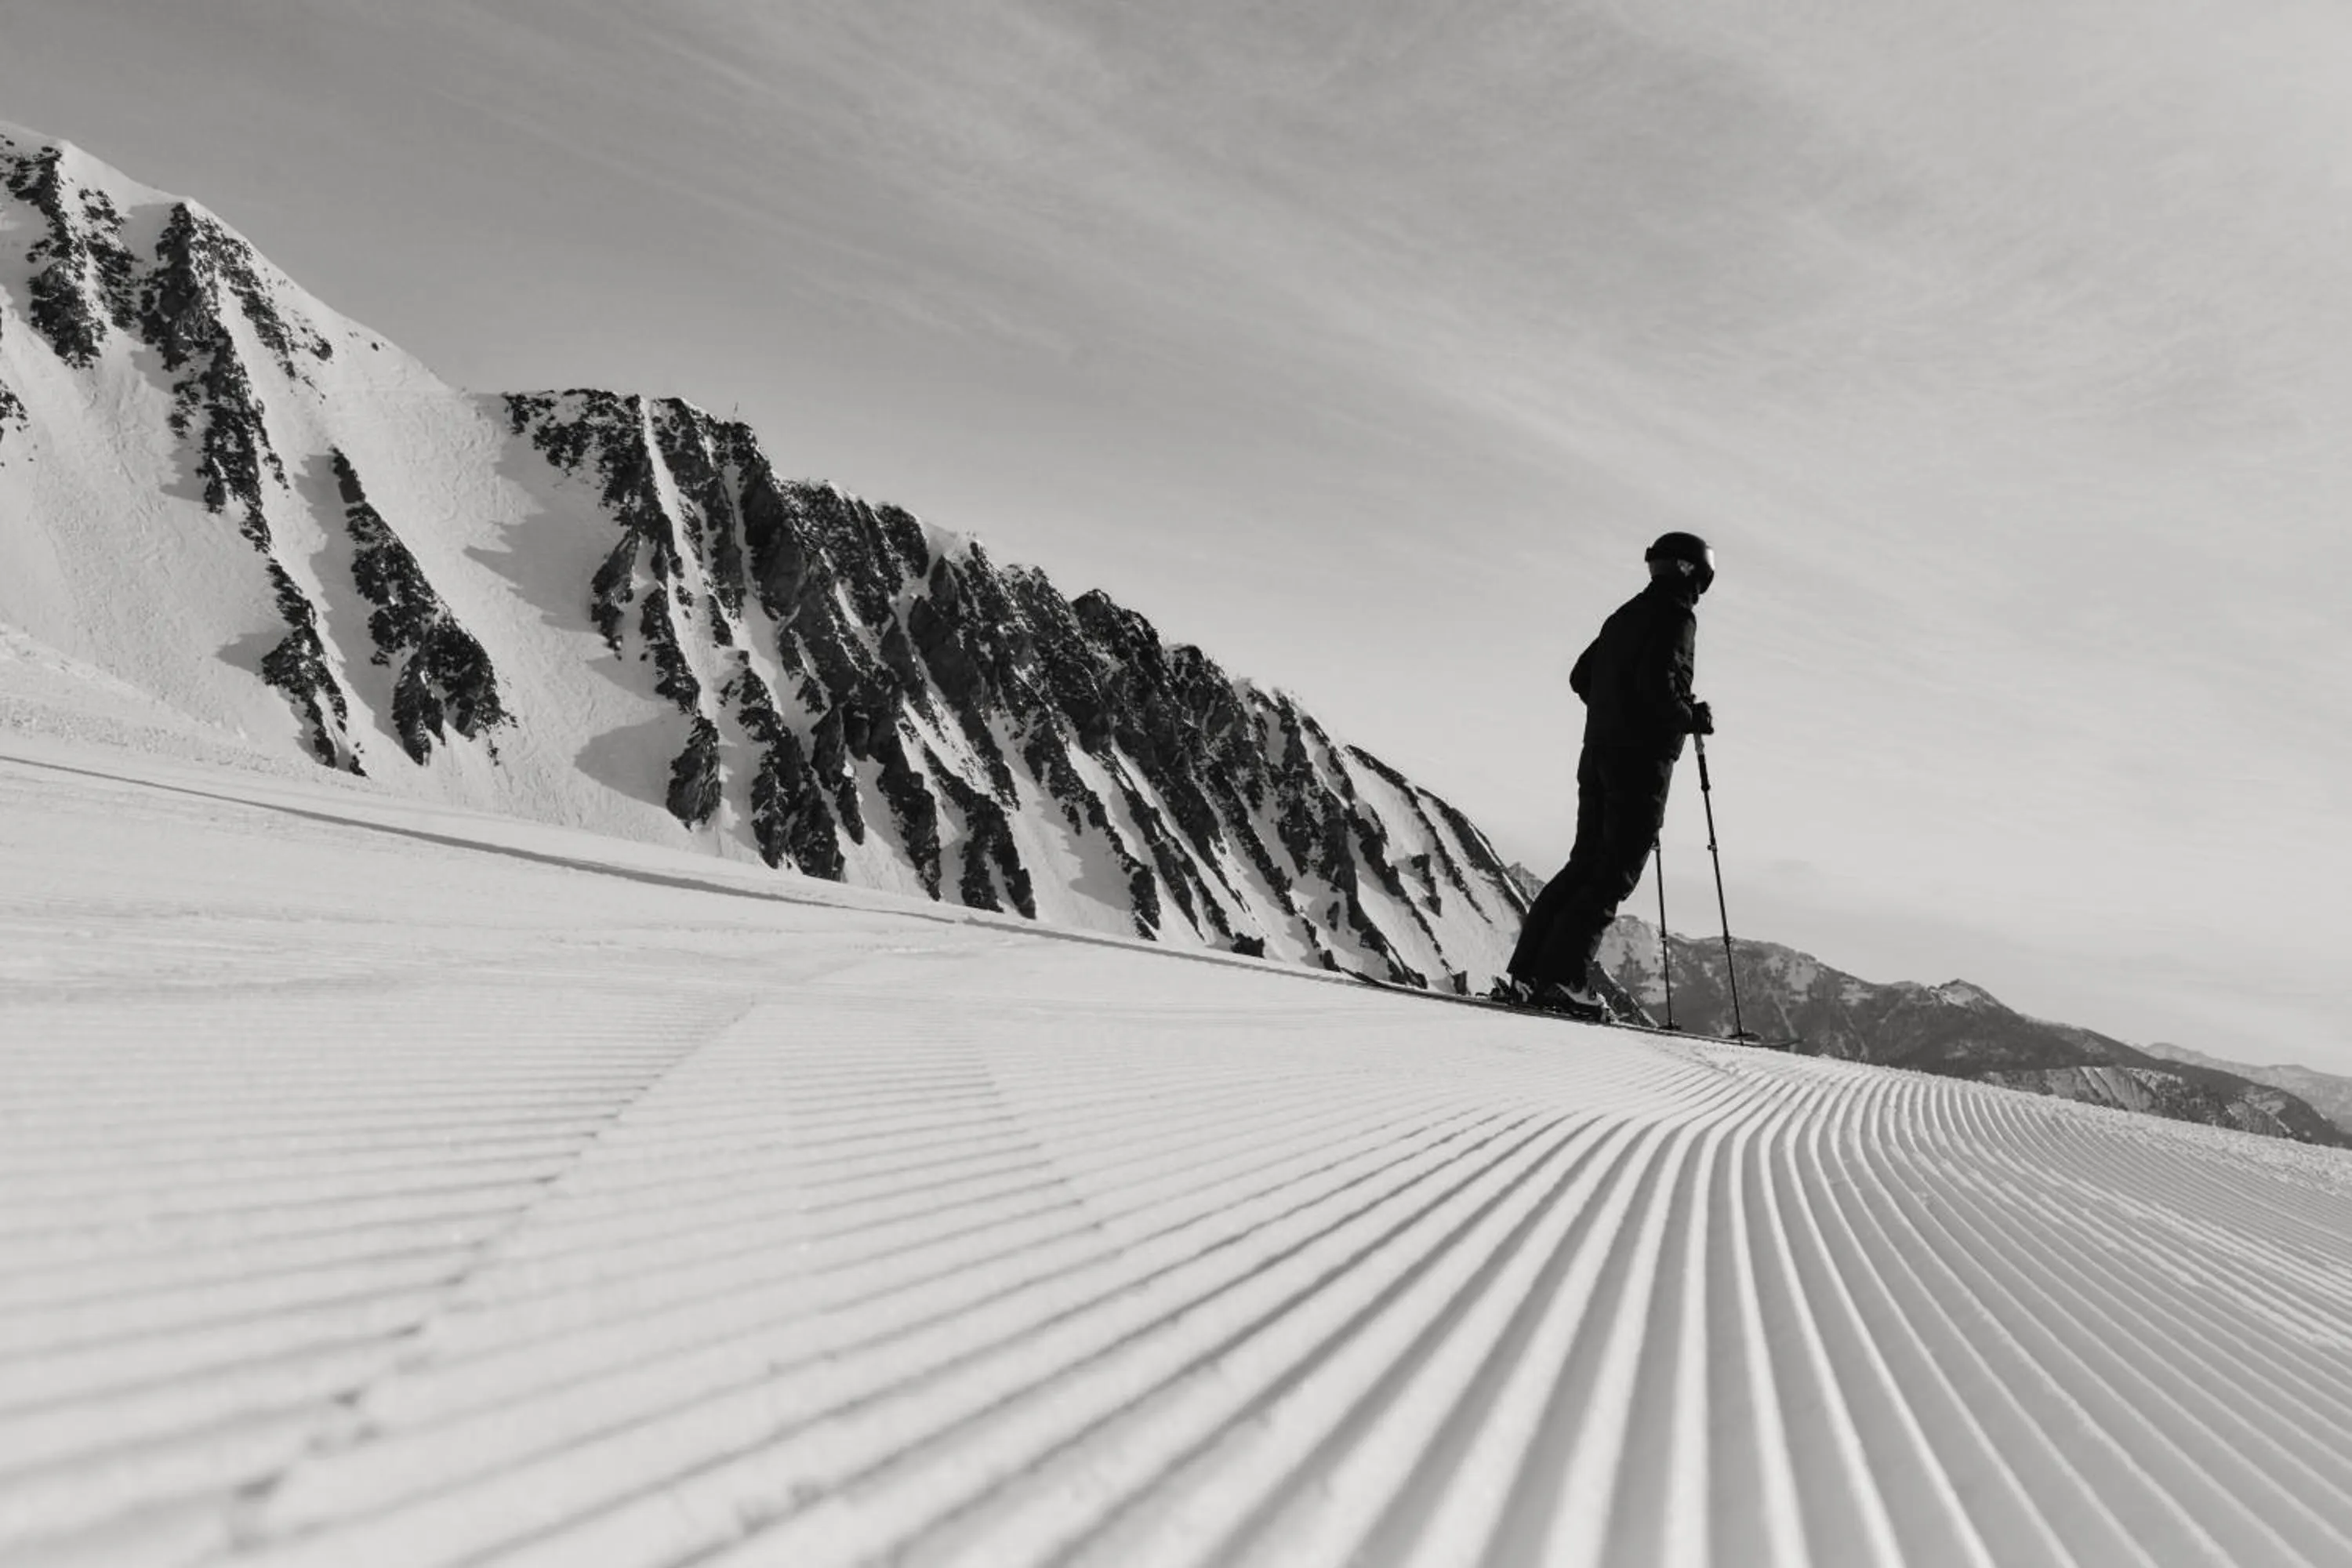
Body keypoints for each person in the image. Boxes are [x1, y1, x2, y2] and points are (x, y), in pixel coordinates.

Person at [1504, 532, 1715, 1016]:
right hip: (1640, 763)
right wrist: (1691, 717)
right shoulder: (1677, 617)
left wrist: (1613, 708)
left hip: (1598, 752)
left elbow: (1581, 677)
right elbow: (1658, 690)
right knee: (1611, 875)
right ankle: (1563, 980)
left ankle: (1528, 976)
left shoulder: (1624, 615)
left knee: (1584, 864)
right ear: (1691, 572)